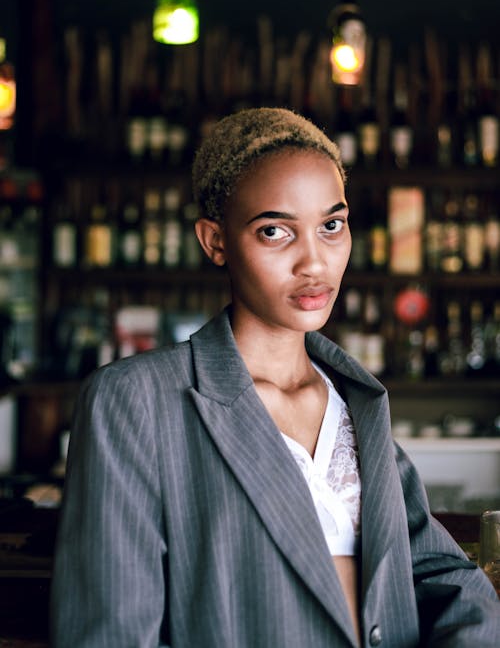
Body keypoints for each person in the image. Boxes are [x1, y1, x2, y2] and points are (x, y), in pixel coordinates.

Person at [50, 107, 500, 647]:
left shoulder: (356, 402)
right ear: (214, 241)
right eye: (275, 232)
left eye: (331, 225)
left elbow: (447, 577)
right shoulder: (136, 401)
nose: (314, 262)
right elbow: (110, 636)